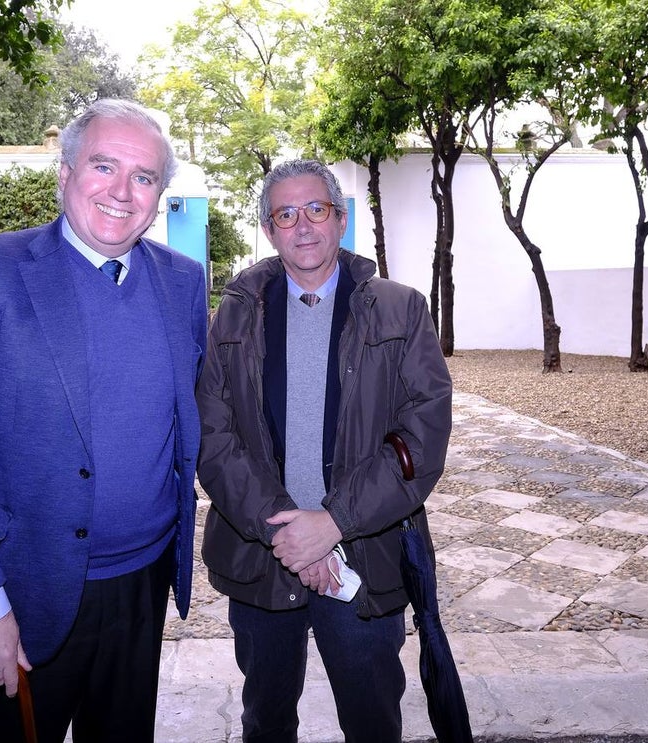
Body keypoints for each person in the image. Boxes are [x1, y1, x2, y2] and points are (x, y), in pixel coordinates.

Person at [0, 99, 206, 742]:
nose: (122, 192)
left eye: (144, 176)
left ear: (160, 193)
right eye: (103, 165)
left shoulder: (184, 281)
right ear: (65, 172)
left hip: (142, 584)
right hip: (21, 593)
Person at [196, 159, 452, 742]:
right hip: (262, 556)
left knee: (372, 720)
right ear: (269, 229)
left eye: (317, 209)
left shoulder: (400, 308)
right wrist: (288, 533)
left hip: (364, 554)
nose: (303, 225)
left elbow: (423, 433)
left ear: (340, 220)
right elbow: (213, 434)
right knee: (265, 718)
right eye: (286, 214)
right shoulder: (233, 314)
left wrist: (333, 523)